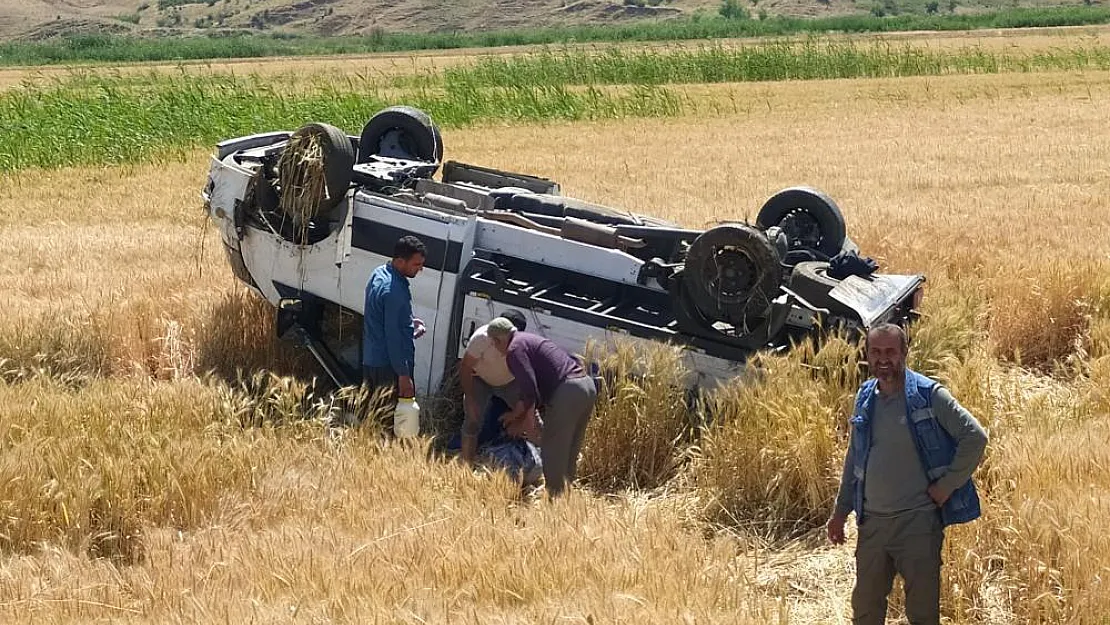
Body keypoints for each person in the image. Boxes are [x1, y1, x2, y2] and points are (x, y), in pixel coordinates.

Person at [827, 323, 989, 625]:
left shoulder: (928, 396)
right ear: (867, 354)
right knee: (865, 610)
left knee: (922, 614)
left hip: (917, 525)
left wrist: (947, 485)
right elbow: (855, 459)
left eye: (890, 351)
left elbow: (975, 436)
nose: (882, 359)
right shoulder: (865, 396)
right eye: (875, 352)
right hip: (872, 525)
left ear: (904, 353)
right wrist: (840, 512)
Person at [485, 317, 597, 498]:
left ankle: (555, 502)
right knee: (568, 452)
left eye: (493, 344)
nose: (495, 349)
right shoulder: (527, 339)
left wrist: (527, 424)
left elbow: (530, 389)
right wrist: (515, 415)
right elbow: (529, 392)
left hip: (567, 392)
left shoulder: (514, 349)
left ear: (498, 340)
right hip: (586, 387)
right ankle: (566, 501)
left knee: (552, 450)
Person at [362, 235, 427, 420]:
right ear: (400, 261)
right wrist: (404, 375)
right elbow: (394, 338)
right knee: (390, 423)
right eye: (416, 264)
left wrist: (408, 322)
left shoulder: (379, 273)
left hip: (371, 360)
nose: (420, 269)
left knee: (372, 418)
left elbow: (382, 317)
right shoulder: (395, 292)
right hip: (389, 367)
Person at [458, 310, 529, 464]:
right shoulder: (481, 338)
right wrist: (469, 399)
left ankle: (542, 466)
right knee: (472, 420)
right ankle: (465, 467)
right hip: (480, 379)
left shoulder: (522, 344)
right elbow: (465, 368)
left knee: (532, 421)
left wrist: (519, 416)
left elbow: (530, 386)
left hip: (510, 383)